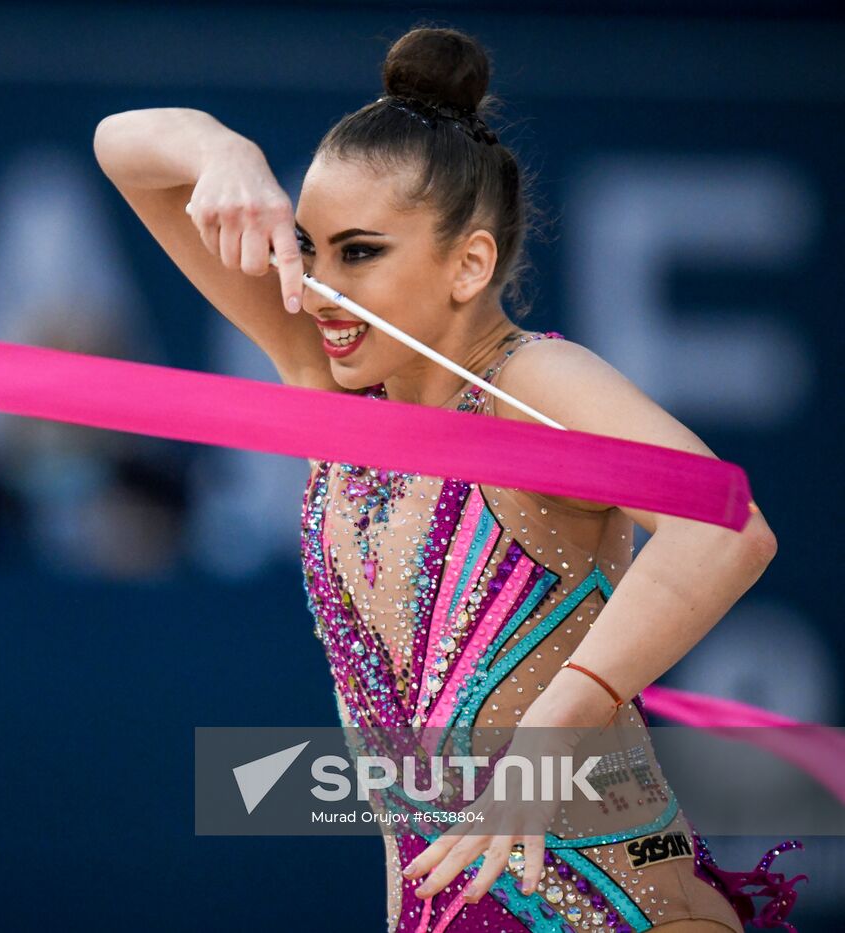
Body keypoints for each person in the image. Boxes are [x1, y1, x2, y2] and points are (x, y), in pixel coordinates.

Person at [94, 24, 802, 933]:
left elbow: (728, 526)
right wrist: (218, 150)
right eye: (308, 248)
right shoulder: (331, 384)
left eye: (358, 252)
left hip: (621, 909)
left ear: (468, 263)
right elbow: (124, 148)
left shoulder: (529, 383)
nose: (313, 288)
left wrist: (546, 741)